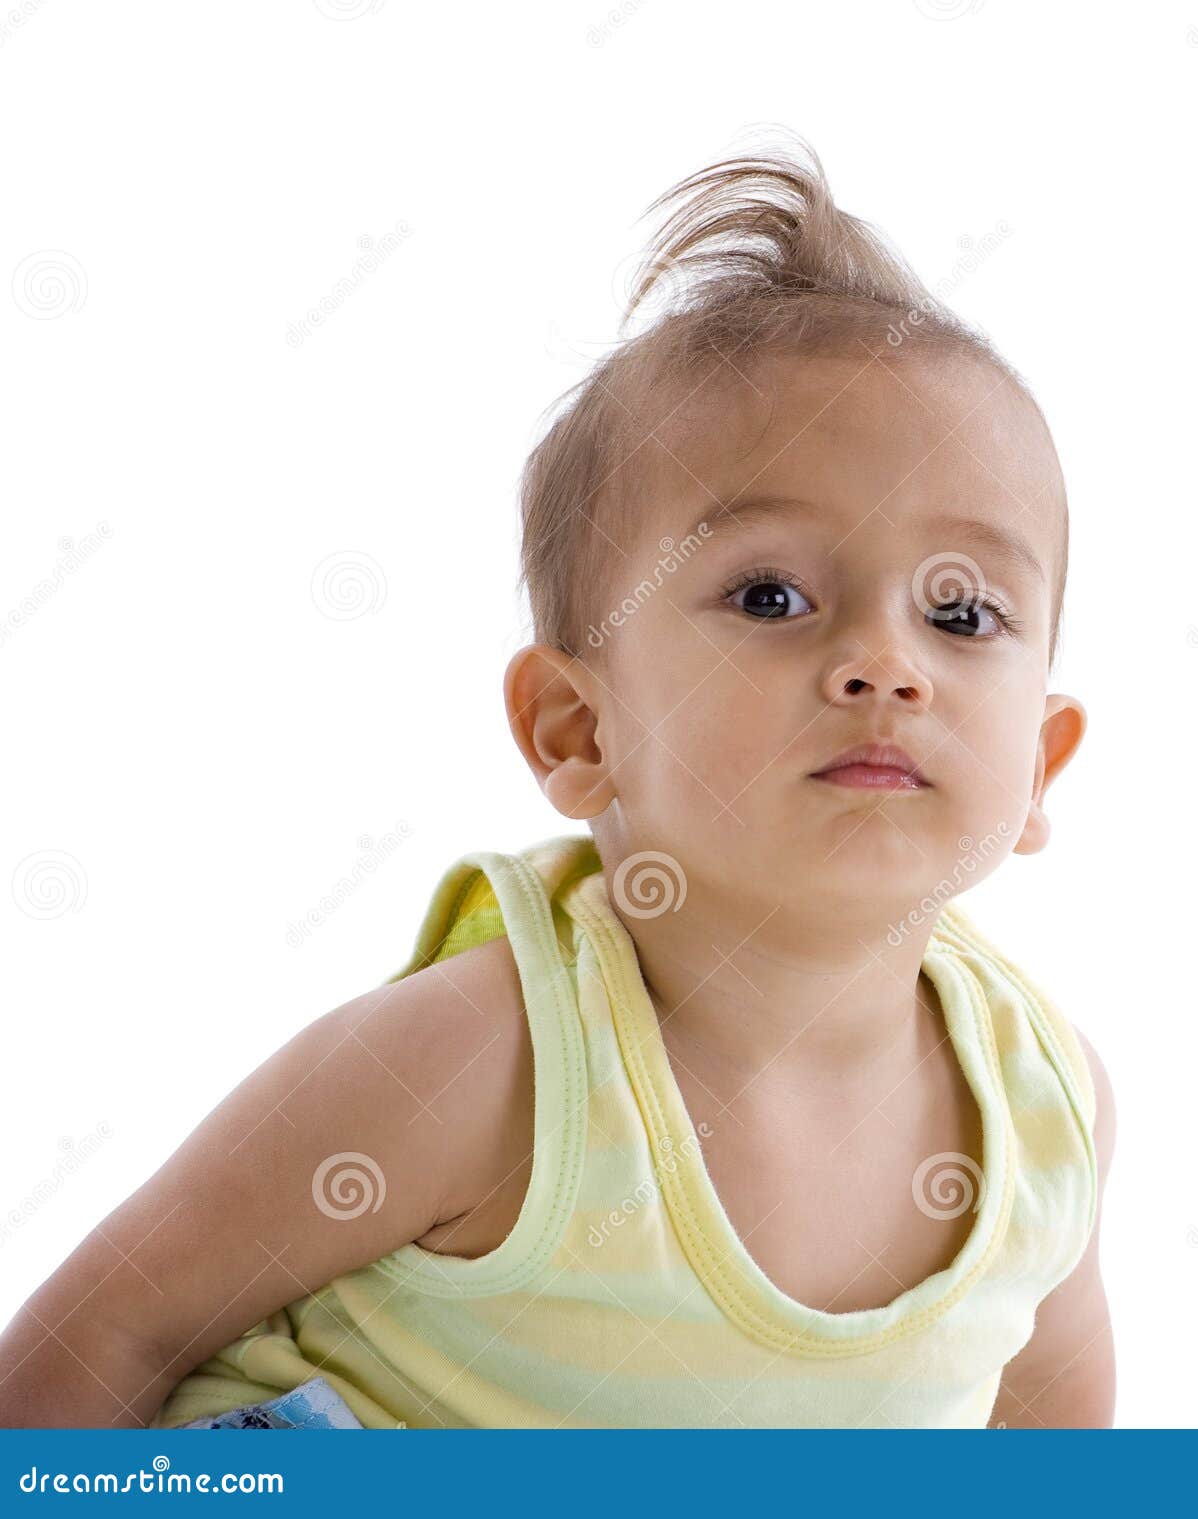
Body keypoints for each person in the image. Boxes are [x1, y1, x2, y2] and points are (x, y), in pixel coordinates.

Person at [0, 131, 1115, 1430]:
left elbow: (1051, 1444)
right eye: (772, 596)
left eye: (963, 614)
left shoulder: (1047, 1110)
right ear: (578, 730)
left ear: (1040, 764)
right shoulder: (482, 1064)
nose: (886, 664)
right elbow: (104, 1331)